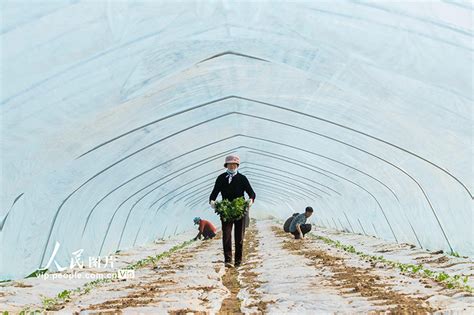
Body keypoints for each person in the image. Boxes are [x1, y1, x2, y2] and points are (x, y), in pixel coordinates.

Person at [209, 155, 256, 267]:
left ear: (237, 165)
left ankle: (238, 261)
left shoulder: (242, 178)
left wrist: (250, 200)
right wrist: (212, 202)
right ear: (226, 165)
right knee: (226, 235)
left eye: (234, 164)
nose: (232, 166)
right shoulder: (221, 178)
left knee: (239, 236)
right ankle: (228, 260)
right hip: (226, 211)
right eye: (230, 164)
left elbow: (252, 193)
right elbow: (214, 193)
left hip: (240, 210)